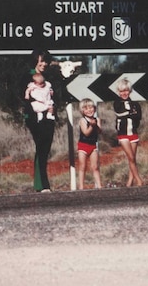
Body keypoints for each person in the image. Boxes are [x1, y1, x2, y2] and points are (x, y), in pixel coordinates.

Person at [22, 51, 79, 193]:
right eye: (41, 61)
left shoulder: (49, 77)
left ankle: (39, 184)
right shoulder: (26, 77)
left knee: (44, 148)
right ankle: (43, 184)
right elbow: (24, 97)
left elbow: (58, 90)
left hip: (49, 116)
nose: (44, 64)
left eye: (46, 61)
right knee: (41, 146)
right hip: (34, 117)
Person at [113, 77, 143, 187]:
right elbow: (119, 113)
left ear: (130, 91)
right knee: (130, 157)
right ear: (118, 92)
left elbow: (138, 116)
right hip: (123, 134)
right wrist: (131, 113)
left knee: (133, 158)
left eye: (126, 90)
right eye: (121, 91)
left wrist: (130, 113)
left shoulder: (135, 104)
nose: (124, 93)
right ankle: (139, 180)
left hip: (133, 133)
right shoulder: (117, 103)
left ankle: (130, 181)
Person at [77, 98, 102, 189]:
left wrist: (96, 125)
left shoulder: (97, 119)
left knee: (95, 166)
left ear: (94, 109)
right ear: (82, 111)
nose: (89, 110)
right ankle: (81, 186)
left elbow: (99, 131)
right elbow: (86, 132)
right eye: (86, 108)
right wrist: (92, 125)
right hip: (83, 146)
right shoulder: (82, 120)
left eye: (91, 108)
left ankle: (99, 185)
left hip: (93, 145)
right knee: (82, 166)